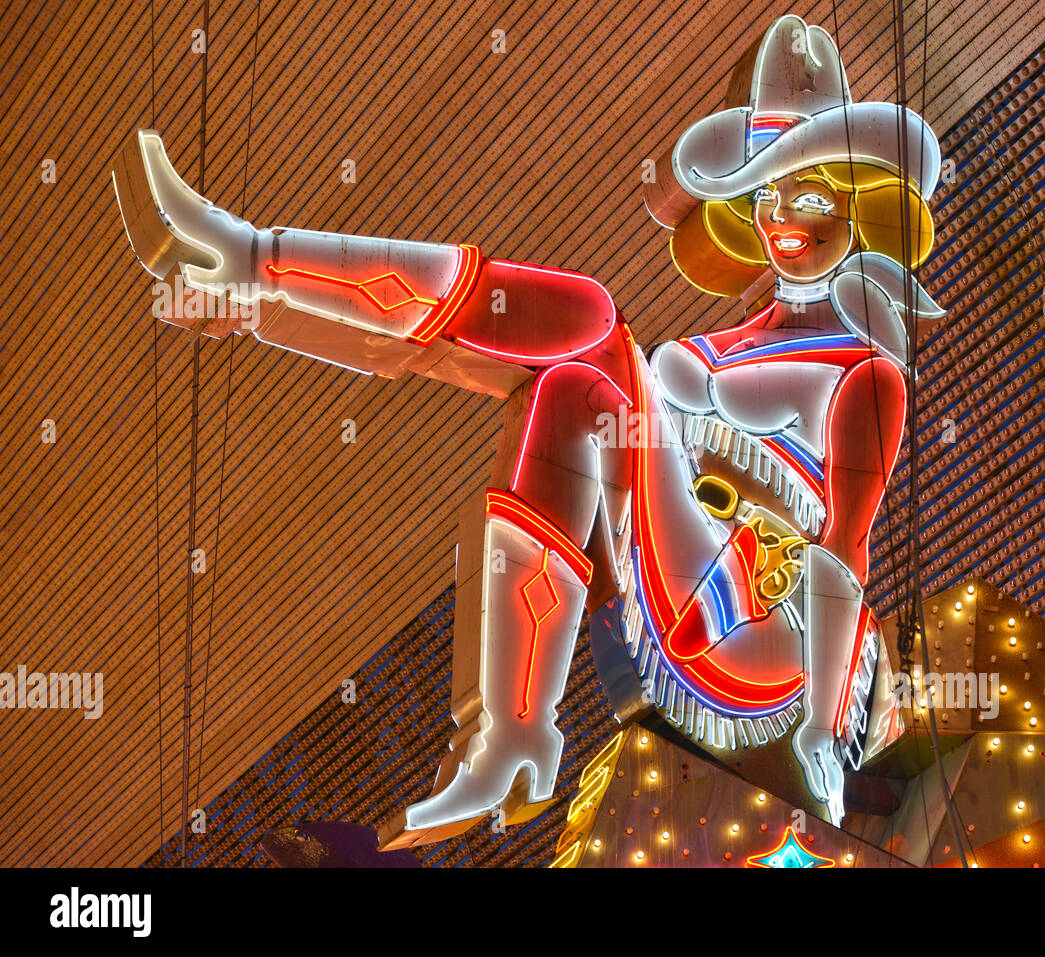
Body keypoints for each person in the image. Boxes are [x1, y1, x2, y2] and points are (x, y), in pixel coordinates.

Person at [113, 14, 943, 846]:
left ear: (858, 202)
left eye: (808, 192)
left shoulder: (866, 366)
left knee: (590, 320)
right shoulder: (718, 344)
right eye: (766, 192)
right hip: (678, 578)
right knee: (576, 380)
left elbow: (845, 546)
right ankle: (508, 740)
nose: (782, 215)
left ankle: (257, 262)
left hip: (768, 639)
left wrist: (823, 740)